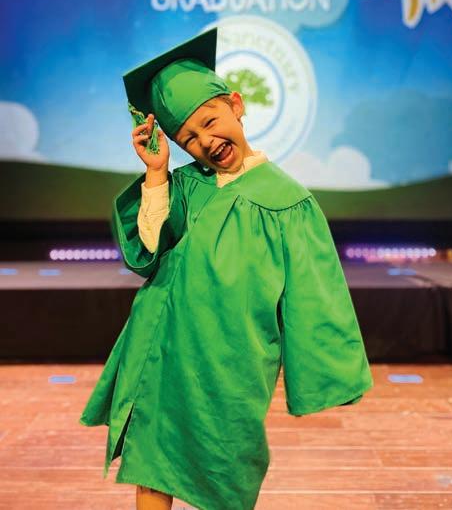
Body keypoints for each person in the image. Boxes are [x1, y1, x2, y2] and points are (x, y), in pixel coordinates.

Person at [79, 28, 374, 510]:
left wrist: (323, 374)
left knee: (225, 471)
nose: (206, 142)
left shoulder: (288, 202)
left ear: (236, 105)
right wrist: (156, 172)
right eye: (189, 139)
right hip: (164, 346)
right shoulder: (184, 187)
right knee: (150, 464)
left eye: (210, 122)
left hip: (229, 362)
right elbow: (149, 247)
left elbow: (313, 294)